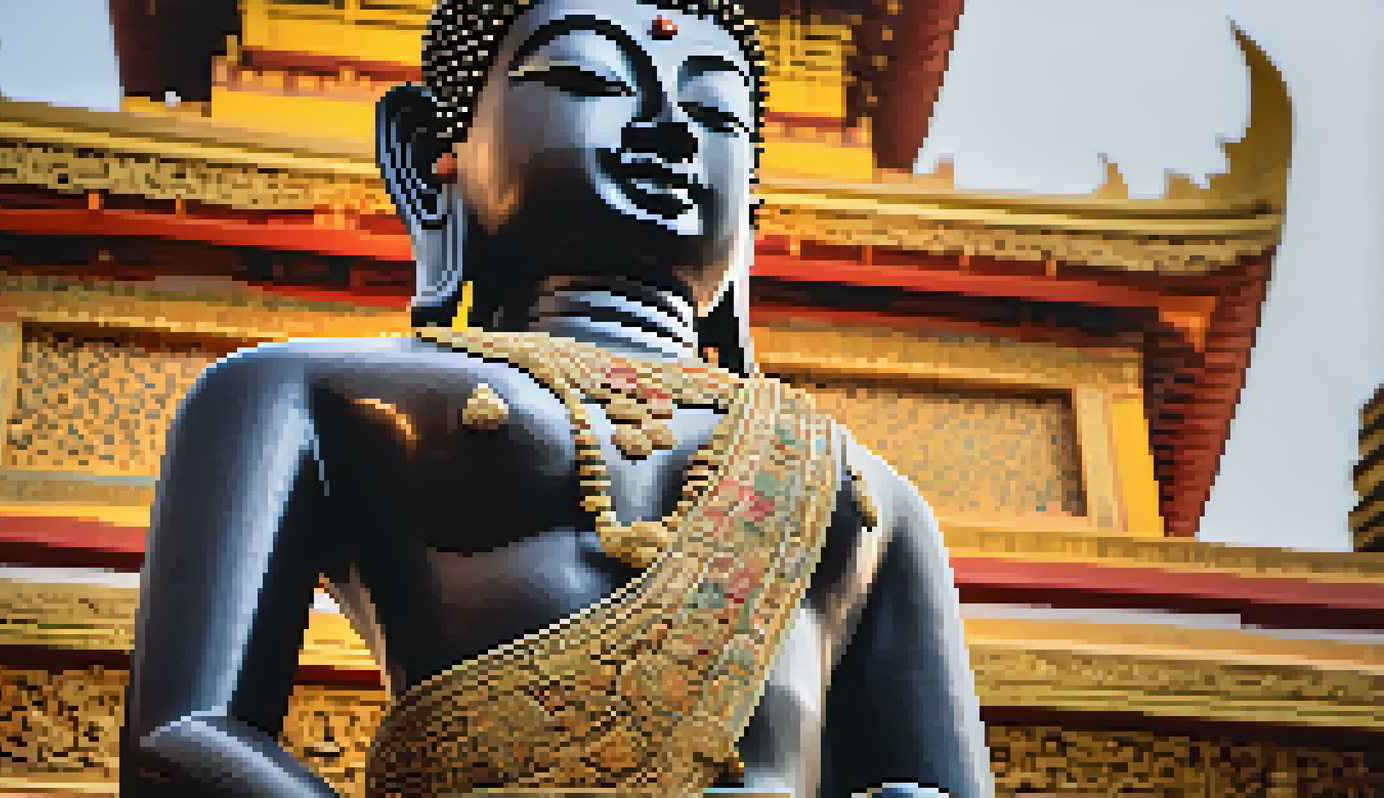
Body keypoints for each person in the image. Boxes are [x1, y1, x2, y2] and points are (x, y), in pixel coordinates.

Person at [120, 0, 992, 793]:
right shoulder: (301, 393)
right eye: (586, 79)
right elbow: (182, 737)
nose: (669, 133)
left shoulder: (869, 495)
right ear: (432, 158)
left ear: (752, 212)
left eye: (715, 113)